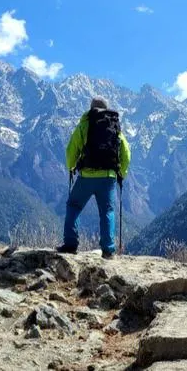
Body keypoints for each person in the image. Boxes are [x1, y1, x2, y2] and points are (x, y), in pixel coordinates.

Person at [57, 97, 131, 258]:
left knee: (74, 206)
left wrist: (70, 167)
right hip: (108, 178)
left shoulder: (84, 125)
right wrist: (121, 173)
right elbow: (126, 152)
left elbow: (71, 149)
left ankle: (70, 244)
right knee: (107, 211)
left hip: (86, 176)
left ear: (91, 109)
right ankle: (108, 250)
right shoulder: (115, 127)